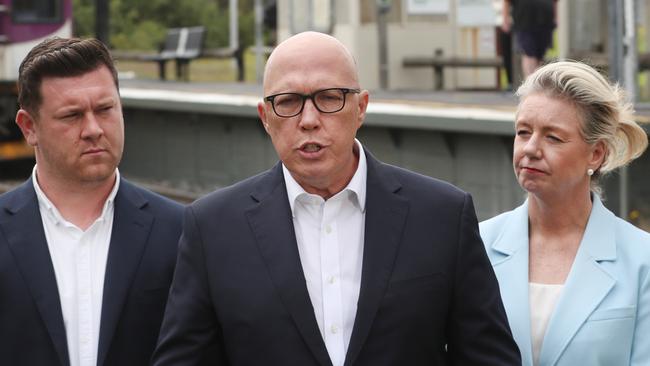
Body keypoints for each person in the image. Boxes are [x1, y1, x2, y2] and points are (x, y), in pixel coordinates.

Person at [152, 31, 520, 366]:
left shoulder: (442, 215)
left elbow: (488, 358)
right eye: (289, 101)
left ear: (361, 108)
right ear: (265, 117)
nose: (309, 119)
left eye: (329, 98)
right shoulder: (213, 228)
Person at [0, 37, 183, 366]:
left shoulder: (182, 231)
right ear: (29, 128)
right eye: (72, 116)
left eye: (105, 109)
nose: (93, 129)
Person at [480, 61, 650, 366]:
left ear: (596, 154)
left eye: (553, 137)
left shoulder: (642, 260)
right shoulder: (475, 244)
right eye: (523, 132)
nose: (530, 148)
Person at [502, 0, 557, 78]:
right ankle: (529, 81)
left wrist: (555, 17)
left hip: (545, 21)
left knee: (540, 55)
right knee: (528, 53)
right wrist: (505, 19)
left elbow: (555, 2)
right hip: (524, 21)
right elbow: (506, 2)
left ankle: (537, 81)